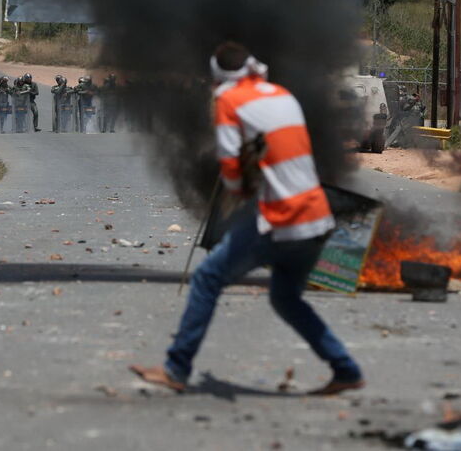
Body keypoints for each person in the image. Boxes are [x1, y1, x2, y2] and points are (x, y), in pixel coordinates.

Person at [130, 41, 364, 396]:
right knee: (285, 298)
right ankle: (346, 369)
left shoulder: (228, 100)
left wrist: (237, 192)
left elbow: (230, 166)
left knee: (208, 278)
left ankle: (176, 369)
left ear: (219, 78)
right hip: (316, 215)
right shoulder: (282, 94)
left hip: (281, 218)